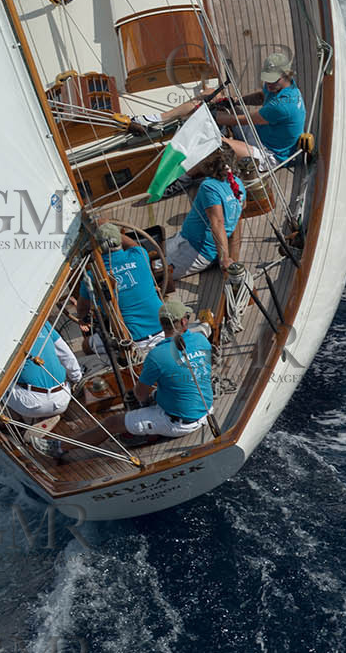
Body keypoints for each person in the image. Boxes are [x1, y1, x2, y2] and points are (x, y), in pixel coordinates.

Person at [124, 297, 213, 440]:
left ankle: (75, 448)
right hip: (207, 410)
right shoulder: (201, 339)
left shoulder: (156, 355)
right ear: (184, 321)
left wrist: (145, 401)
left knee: (112, 423)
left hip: (178, 424)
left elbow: (140, 394)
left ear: (161, 324)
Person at [78, 222, 163, 357]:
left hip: (131, 342)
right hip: (164, 327)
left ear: (97, 246)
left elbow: (83, 308)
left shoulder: (92, 275)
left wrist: (82, 319)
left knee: (86, 345)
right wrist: (109, 227)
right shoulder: (139, 255)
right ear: (119, 239)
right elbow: (133, 244)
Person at [211, 52, 306, 169]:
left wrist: (216, 117)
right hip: (259, 132)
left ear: (287, 75)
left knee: (215, 142)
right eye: (267, 79)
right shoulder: (282, 86)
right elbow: (261, 97)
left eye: (273, 80)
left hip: (270, 154)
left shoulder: (283, 106)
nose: (268, 84)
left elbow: (247, 120)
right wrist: (235, 101)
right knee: (214, 97)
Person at [165, 146, 245, 278]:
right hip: (187, 241)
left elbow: (218, 223)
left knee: (150, 272)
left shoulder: (209, 187)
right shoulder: (237, 183)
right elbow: (241, 207)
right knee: (148, 252)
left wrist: (224, 259)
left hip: (195, 250)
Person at [3, 319, 82, 429]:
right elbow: (67, 356)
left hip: (30, 406)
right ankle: (49, 415)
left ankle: (18, 423)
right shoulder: (42, 322)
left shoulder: (3, 332)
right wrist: (77, 378)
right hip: (62, 400)